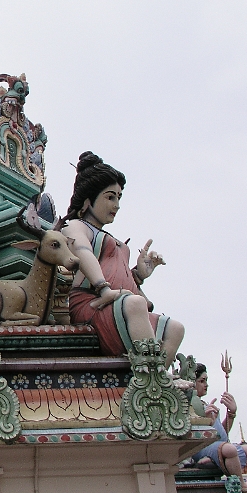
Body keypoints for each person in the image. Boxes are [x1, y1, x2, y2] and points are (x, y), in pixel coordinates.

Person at [61, 152, 184, 364]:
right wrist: (104, 288)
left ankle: (158, 377)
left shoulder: (111, 238)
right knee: (135, 304)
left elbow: (119, 275)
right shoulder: (75, 226)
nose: (116, 205)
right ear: (88, 200)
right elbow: (83, 252)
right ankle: (151, 377)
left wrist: (138, 275)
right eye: (110, 197)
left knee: (175, 328)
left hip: (119, 302)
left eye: (119, 197)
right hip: (92, 302)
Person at [190, 364, 247, 489]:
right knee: (229, 450)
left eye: (206, 380)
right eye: (202, 381)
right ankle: (242, 487)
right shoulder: (188, 405)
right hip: (200, 447)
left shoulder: (206, 405)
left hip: (218, 445)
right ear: (192, 383)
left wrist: (231, 414)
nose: (206, 384)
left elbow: (221, 435)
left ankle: (213, 459)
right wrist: (204, 420)